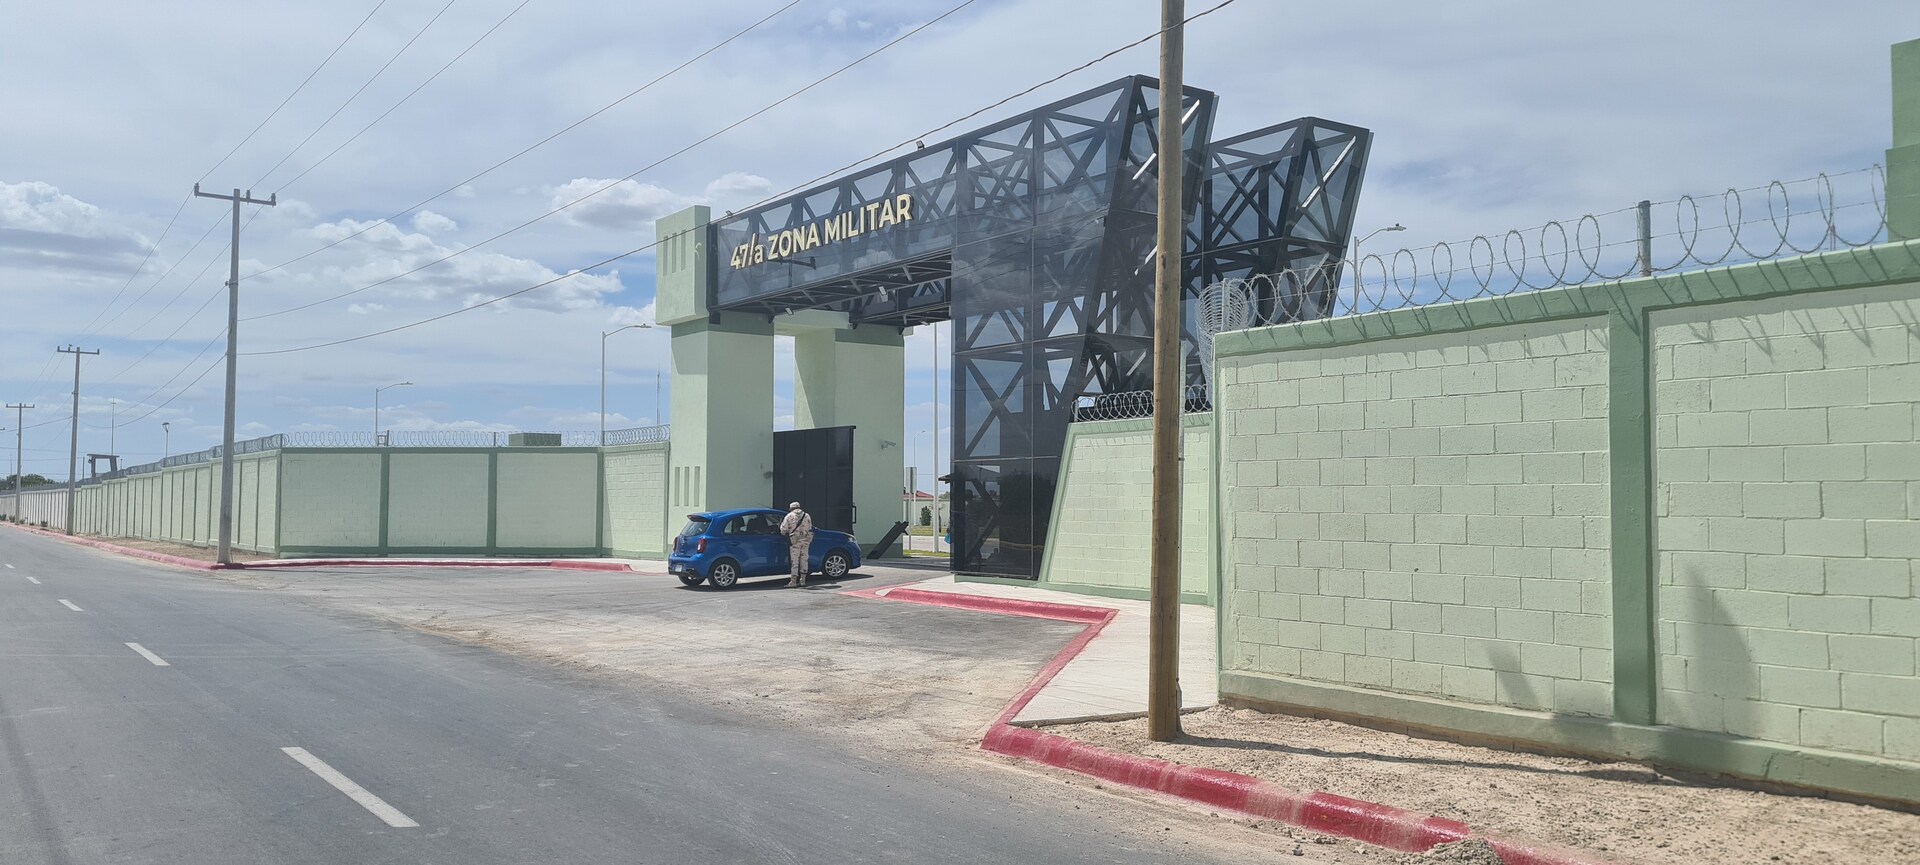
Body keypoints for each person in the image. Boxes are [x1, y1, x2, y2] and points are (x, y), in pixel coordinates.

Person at [779, 501, 813, 587]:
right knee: (804, 559)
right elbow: (810, 527)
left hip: (795, 541)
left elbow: (783, 530)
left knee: (795, 561)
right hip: (805, 540)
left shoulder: (789, 516)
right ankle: (803, 581)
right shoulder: (807, 515)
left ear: (791, 508)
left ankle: (793, 581)